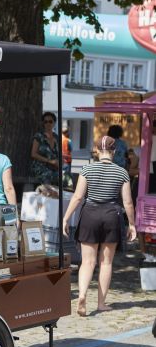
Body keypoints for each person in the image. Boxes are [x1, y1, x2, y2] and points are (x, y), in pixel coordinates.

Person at [62, 135, 136, 317]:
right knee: (106, 262)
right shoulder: (122, 172)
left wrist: (66, 218)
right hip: (111, 215)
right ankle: (101, 303)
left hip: (90, 214)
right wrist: (132, 224)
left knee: (87, 261)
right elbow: (127, 202)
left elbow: (78, 197)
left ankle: (82, 296)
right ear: (114, 151)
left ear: (96, 150)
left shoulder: (87, 169)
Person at [30, 112, 59, 185]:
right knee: (48, 175)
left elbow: (58, 154)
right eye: (45, 122)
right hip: (40, 167)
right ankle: (47, 195)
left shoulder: (57, 137)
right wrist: (49, 161)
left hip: (54, 168)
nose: (48, 124)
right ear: (43, 123)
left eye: (50, 121)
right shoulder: (39, 136)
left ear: (54, 123)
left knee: (67, 177)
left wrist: (59, 162)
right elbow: (33, 154)